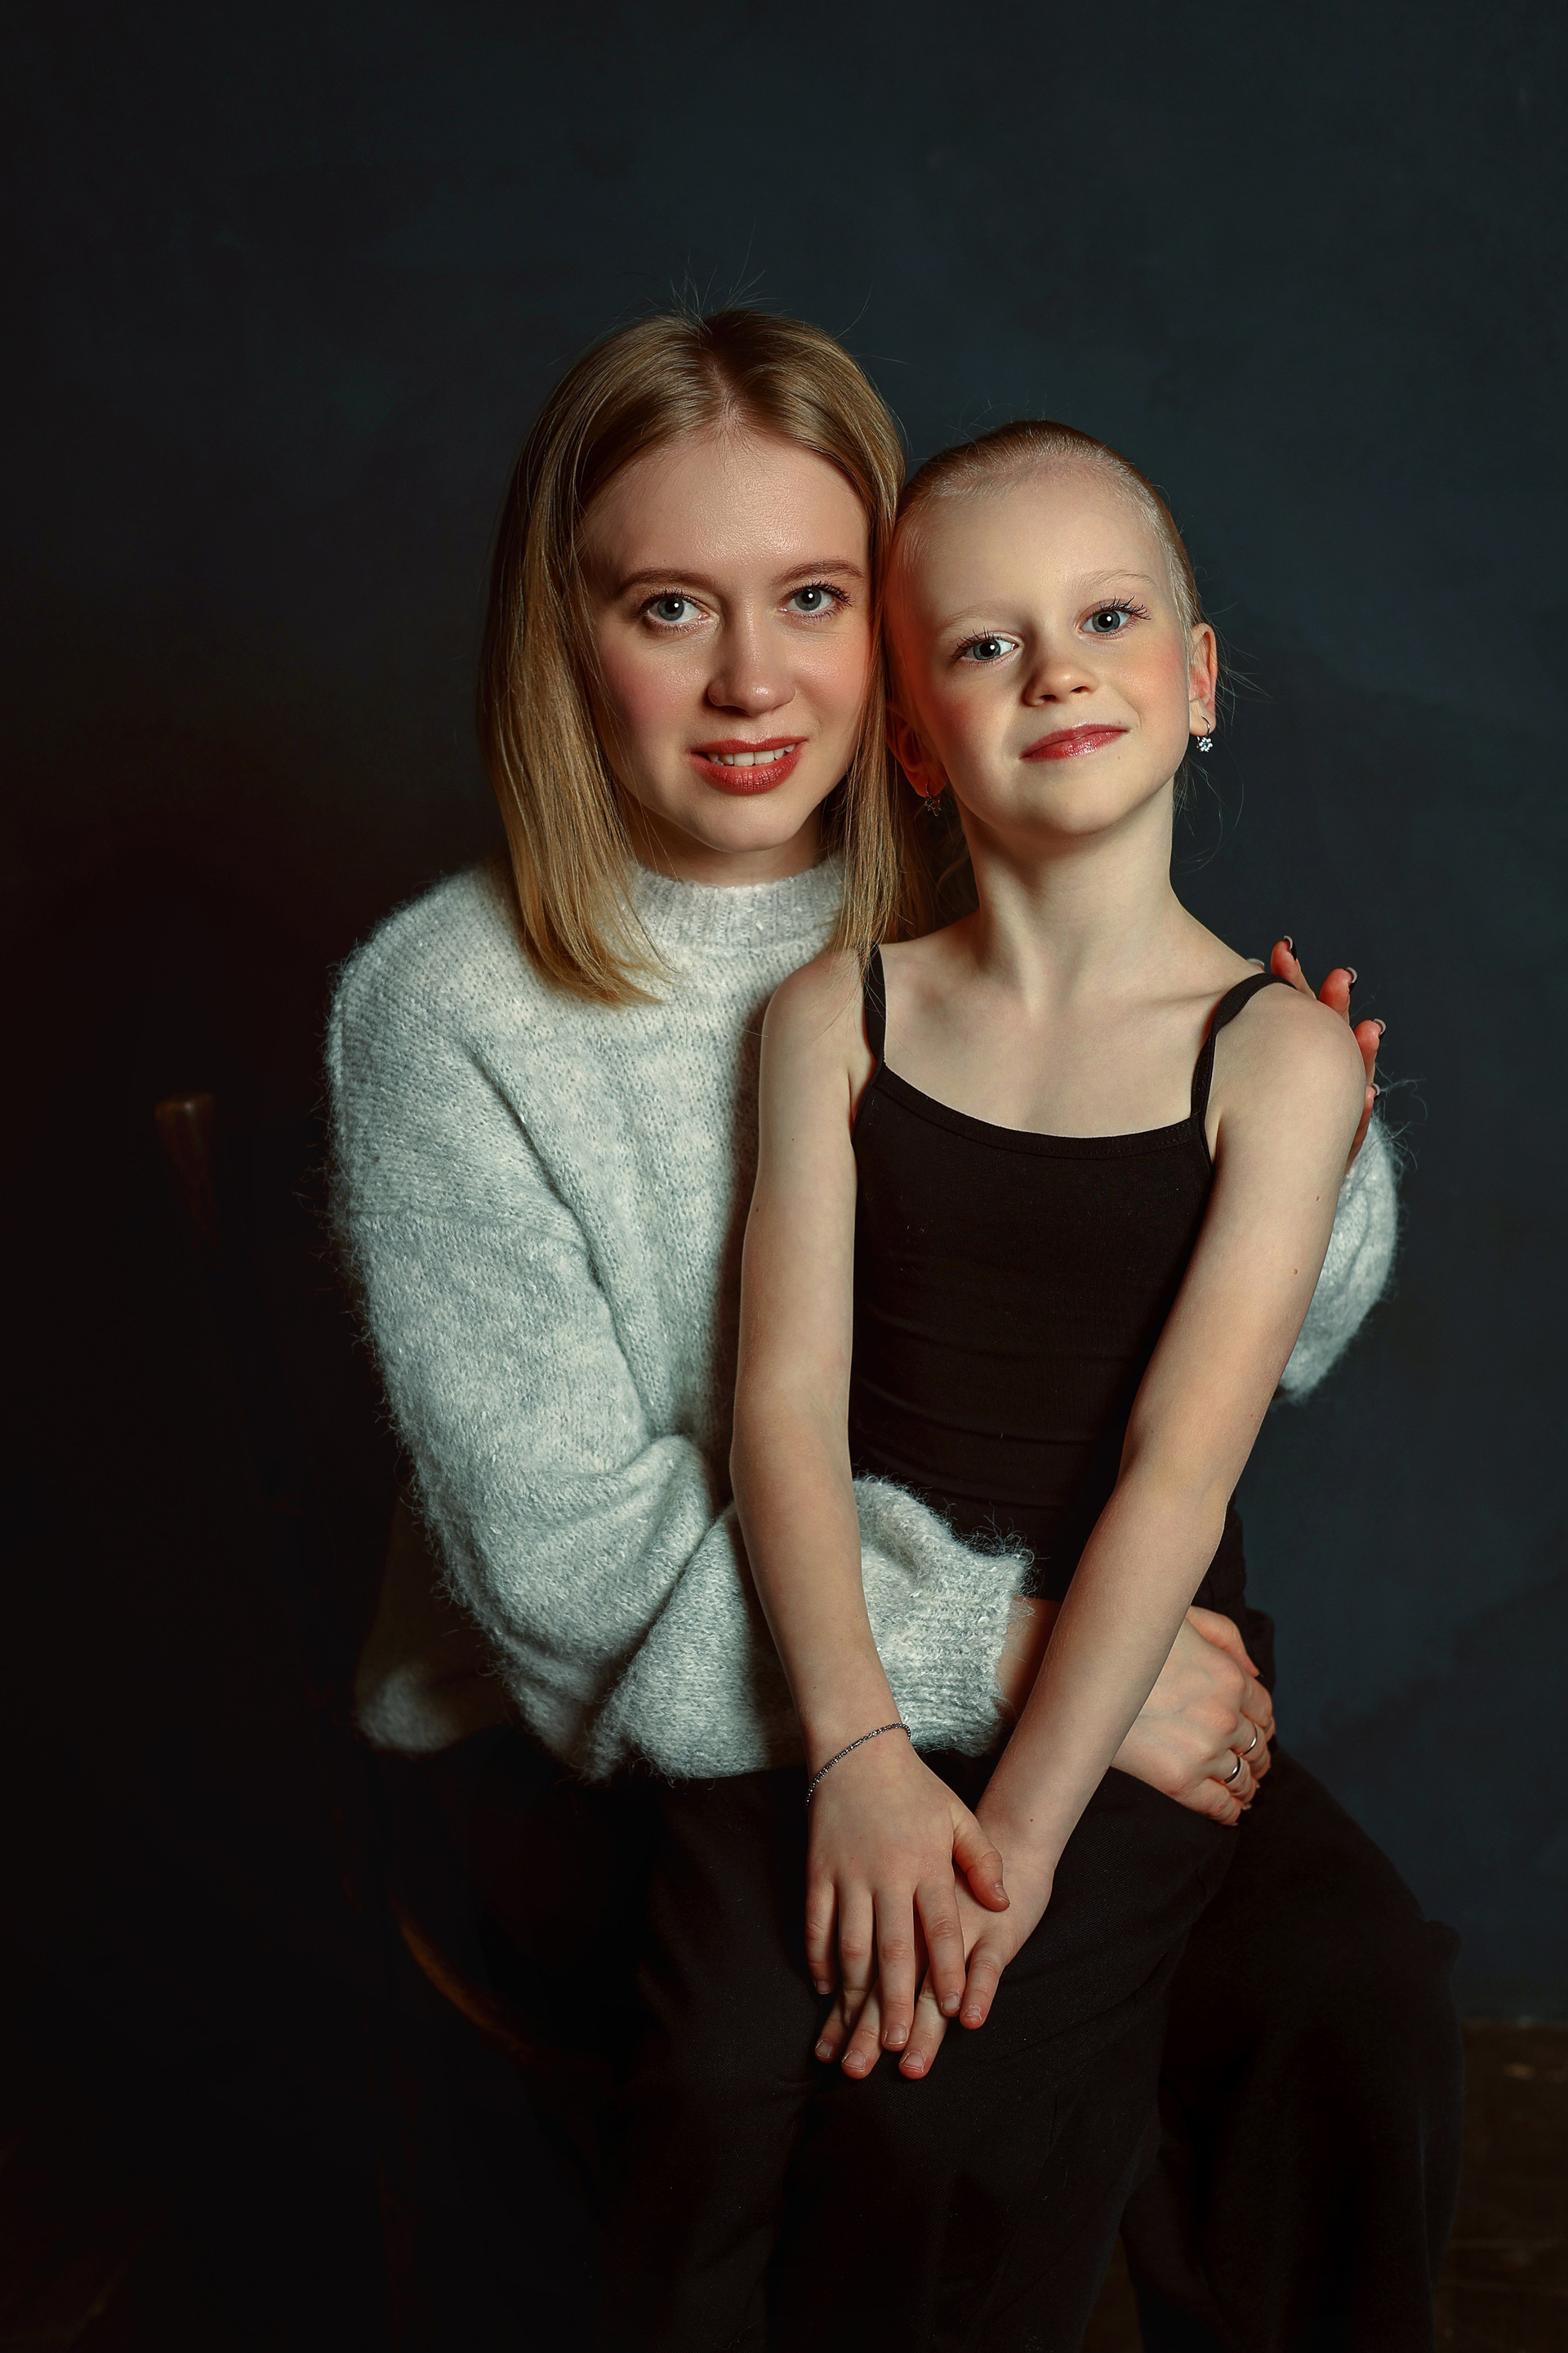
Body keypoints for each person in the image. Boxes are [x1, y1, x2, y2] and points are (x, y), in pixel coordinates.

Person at [326, 313, 1447, 2349]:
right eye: (671, 606)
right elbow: (571, 1576)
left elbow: (1195, 1359)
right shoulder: (450, 1006)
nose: (753, 681)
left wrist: (1320, 1156)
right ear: (566, 640)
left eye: (816, 599)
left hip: (1047, 1660)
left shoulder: (965, 860)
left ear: (897, 652)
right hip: (598, 1739)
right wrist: (1003, 1666)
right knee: (829, 2085)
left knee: (1341, 1982)